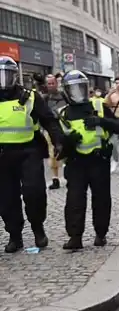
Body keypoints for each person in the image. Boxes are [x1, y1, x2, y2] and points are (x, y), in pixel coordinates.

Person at [0, 56, 61, 253]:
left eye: (7, 75)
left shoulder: (30, 96)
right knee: (6, 198)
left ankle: (38, 229)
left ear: (14, 76)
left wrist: (58, 140)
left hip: (29, 151)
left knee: (34, 193)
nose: (4, 79)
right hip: (2, 155)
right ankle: (14, 235)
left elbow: (49, 121)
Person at [58, 71, 119, 250]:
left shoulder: (99, 105)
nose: (78, 93)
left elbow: (118, 126)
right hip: (76, 162)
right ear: (66, 92)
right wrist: (68, 142)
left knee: (101, 200)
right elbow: (59, 143)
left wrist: (101, 121)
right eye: (74, 89)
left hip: (98, 160)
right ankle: (75, 237)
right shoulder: (63, 113)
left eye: (81, 88)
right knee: (74, 201)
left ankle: (100, 234)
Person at [42, 74, 68, 190]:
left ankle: (69, 175)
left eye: (53, 83)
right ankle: (55, 178)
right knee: (52, 154)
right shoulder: (44, 98)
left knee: (67, 151)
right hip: (51, 129)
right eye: (49, 83)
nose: (51, 85)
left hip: (64, 128)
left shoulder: (64, 95)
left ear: (56, 84)